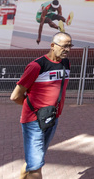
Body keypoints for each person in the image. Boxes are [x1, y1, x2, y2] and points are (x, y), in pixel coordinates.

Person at [10, 32, 72, 179]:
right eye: (64, 46)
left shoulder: (66, 63)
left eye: (70, 46)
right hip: (34, 121)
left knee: (33, 161)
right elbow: (15, 96)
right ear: (52, 45)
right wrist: (35, 110)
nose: (68, 49)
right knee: (36, 167)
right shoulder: (36, 66)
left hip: (52, 119)